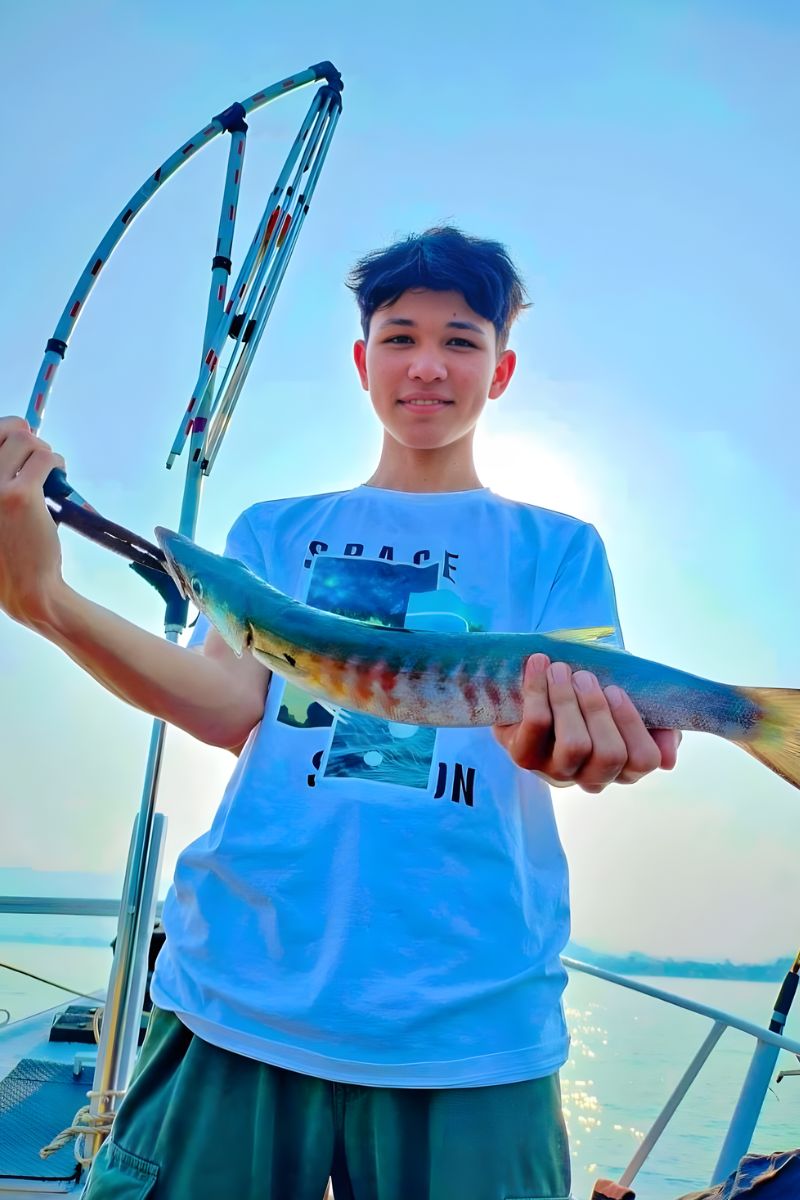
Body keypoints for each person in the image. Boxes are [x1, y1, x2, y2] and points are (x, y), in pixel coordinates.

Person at [0, 227, 680, 1200]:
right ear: (363, 360)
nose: (427, 365)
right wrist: (48, 604)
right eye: (399, 337)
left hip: (472, 1022)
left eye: (460, 340)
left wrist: (584, 749)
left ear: (501, 369)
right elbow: (231, 704)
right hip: (239, 991)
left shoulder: (555, 546)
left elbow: (585, 726)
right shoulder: (272, 532)